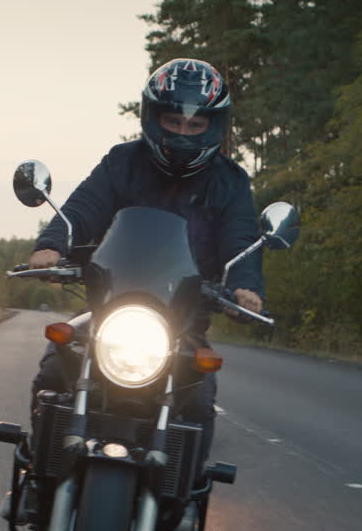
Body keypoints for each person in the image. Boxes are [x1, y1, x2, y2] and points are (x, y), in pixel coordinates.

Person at [18, 57, 264, 500]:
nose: (183, 133)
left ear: (214, 127)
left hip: (183, 321)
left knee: (200, 396)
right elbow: (82, 210)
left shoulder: (229, 182)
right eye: (173, 121)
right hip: (110, 306)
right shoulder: (123, 162)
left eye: (195, 125)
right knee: (56, 367)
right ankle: (40, 475)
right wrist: (53, 244)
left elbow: (241, 239)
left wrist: (245, 287)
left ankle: (180, 499)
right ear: (153, 118)